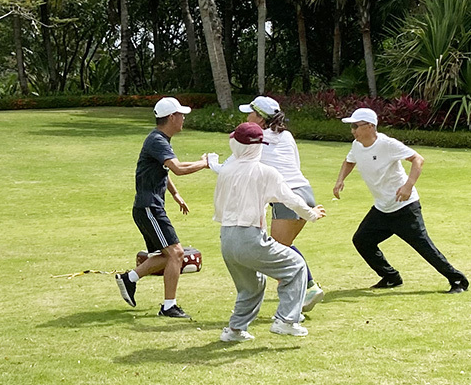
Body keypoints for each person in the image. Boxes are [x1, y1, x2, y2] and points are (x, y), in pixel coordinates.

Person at [332, 107, 469, 293]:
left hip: (405, 207)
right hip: (382, 209)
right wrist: (340, 180)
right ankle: (391, 277)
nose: (352, 130)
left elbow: (418, 160)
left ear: (370, 126)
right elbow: (349, 161)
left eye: (356, 126)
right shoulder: (357, 146)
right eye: (352, 126)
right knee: (362, 240)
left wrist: (408, 186)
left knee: (424, 247)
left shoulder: (388, 144)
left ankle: (458, 280)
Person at [214, 121, 327, 341]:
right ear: (258, 146)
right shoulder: (265, 172)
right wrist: (311, 214)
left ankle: (235, 330)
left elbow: (220, 205)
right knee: (296, 266)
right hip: (249, 236)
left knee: (252, 286)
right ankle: (286, 321)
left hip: (226, 237)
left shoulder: (226, 171)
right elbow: (291, 199)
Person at [115, 96, 213, 319]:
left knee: (166, 255)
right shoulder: (157, 140)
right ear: (171, 117)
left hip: (148, 207)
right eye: (181, 115)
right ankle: (169, 306)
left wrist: (175, 194)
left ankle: (129, 279)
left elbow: (166, 170)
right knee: (176, 253)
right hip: (149, 208)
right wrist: (205, 163)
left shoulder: (160, 140)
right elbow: (178, 168)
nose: (183, 119)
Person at [240, 95, 326, 313]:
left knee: (276, 253)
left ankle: (306, 289)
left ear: (260, 118)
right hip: (305, 192)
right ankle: (305, 291)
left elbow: (243, 167)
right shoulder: (286, 135)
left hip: (286, 197)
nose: (247, 118)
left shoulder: (255, 139)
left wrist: (210, 164)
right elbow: (294, 164)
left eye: (250, 114)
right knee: (283, 249)